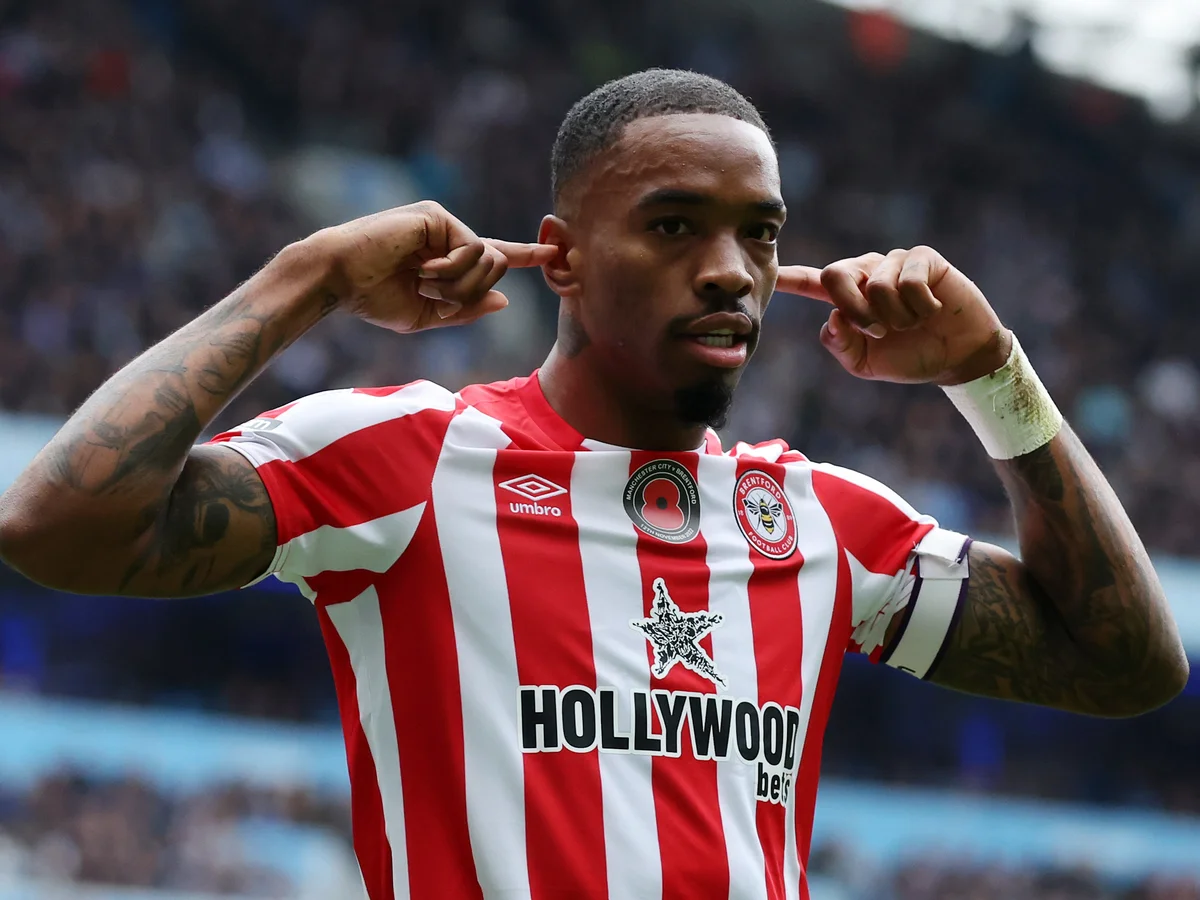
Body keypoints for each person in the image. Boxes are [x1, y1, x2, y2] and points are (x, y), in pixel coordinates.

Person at [0, 69, 1188, 900]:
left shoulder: (821, 522)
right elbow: (59, 526)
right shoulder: (408, 457)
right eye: (674, 227)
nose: (730, 272)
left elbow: (1126, 665)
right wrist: (306, 276)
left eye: (760, 234)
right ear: (560, 258)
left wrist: (992, 374)